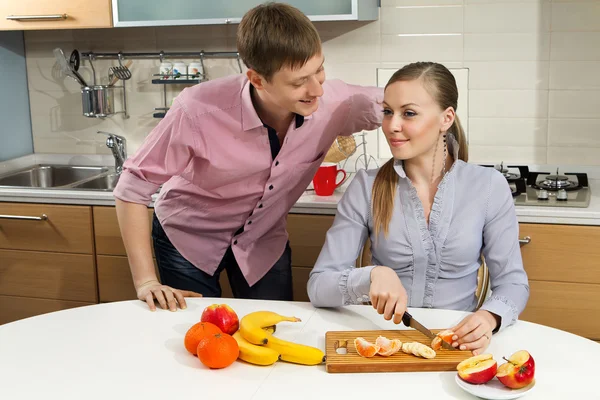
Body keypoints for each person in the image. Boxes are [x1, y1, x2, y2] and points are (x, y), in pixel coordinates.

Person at [112, 2, 384, 311]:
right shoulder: (198, 108)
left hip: (263, 242)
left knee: (273, 329)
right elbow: (132, 187)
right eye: (298, 82)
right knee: (195, 335)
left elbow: (402, 106)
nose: (316, 89)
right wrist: (146, 282)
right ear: (257, 79)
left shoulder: (336, 102)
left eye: (319, 70)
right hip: (187, 239)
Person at [307, 62, 529, 355]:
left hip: (457, 346)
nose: (392, 125)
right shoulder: (366, 186)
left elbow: (513, 282)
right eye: (388, 112)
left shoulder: (488, 186)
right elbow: (319, 286)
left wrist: (489, 318)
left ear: (446, 118)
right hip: (385, 344)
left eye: (408, 113)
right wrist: (371, 275)